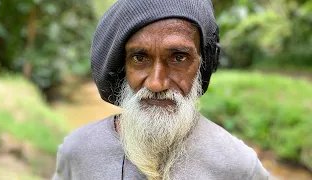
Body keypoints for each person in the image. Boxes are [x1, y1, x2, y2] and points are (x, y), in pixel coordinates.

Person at [52, 0, 270, 179]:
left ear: (201, 65)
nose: (156, 83)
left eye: (178, 58)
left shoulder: (238, 165)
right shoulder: (78, 151)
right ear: (123, 67)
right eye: (139, 58)